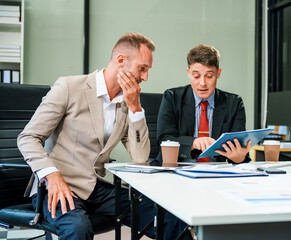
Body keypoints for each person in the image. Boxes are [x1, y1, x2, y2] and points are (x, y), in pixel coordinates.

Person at [18, 32, 184, 240]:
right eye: (142, 69)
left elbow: (140, 156)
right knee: (77, 228)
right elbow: (28, 137)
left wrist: (135, 108)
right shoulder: (70, 87)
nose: (145, 77)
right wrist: (52, 175)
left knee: (166, 218)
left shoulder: (127, 103)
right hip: (59, 184)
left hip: (97, 187)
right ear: (121, 61)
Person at [156, 44, 251, 163]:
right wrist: (193, 143)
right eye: (196, 76)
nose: (202, 83)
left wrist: (239, 158)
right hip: (178, 169)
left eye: (209, 76)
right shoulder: (172, 97)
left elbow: (238, 145)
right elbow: (164, 139)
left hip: (217, 173)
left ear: (218, 73)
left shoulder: (234, 103)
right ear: (188, 73)